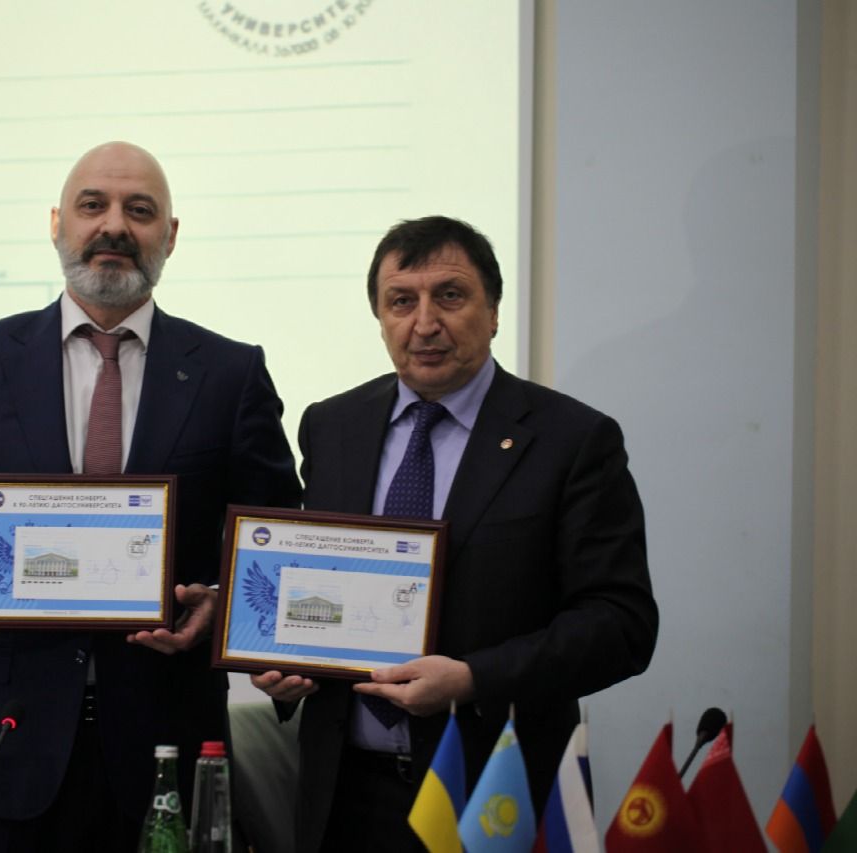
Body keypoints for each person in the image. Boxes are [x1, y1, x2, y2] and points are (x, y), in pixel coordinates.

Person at [0, 141, 302, 852]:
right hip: (8, 751)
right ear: (57, 223)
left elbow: (278, 540)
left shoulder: (230, 373)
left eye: (140, 210)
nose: (114, 226)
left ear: (170, 235)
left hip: (169, 754)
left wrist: (222, 602)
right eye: (92, 205)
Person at [253, 216, 658, 853]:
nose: (425, 324)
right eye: (401, 301)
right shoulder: (332, 425)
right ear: (380, 318)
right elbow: (315, 580)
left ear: (493, 312)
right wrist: (285, 663)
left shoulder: (573, 440)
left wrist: (473, 679)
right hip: (345, 798)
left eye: (449, 296)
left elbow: (621, 624)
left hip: (492, 792)